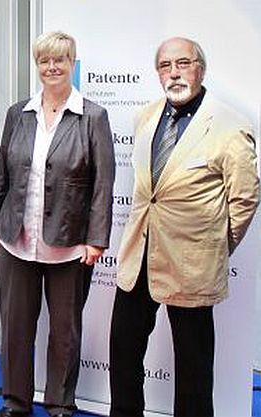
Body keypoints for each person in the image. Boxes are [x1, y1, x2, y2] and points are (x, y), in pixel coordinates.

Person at [109, 37, 259, 417]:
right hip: (139, 255)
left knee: (193, 370)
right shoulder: (146, 115)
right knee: (123, 352)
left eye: (182, 63)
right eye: (164, 65)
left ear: (201, 69)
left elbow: (244, 200)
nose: (173, 72)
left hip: (192, 264)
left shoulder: (229, 125)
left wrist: (213, 247)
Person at [0, 31, 115, 417]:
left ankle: (60, 404)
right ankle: (15, 401)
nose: (52, 67)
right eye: (44, 60)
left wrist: (97, 239)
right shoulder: (17, 113)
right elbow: (1, 174)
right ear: (37, 65)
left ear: (72, 63)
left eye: (60, 60)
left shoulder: (93, 116)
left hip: (71, 243)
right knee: (16, 329)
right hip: (17, 240)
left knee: (65, 332)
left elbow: (103, 183)